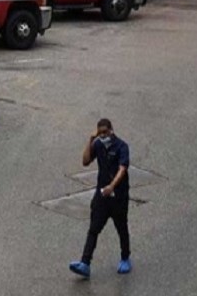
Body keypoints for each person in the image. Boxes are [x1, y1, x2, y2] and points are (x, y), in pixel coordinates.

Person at [69, 118, 131, 278]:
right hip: (102, 196)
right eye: (100, 133)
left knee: (121, 228)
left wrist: (112, 186)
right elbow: (85, 161)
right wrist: (90, 140)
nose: (103, 135)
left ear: (111, 130)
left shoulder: (122, 147)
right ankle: (85, 263)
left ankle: (125, 257)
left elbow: (122, 169)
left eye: (105, 132)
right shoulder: (98, 145)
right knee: (93, 229)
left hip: (119, 196)